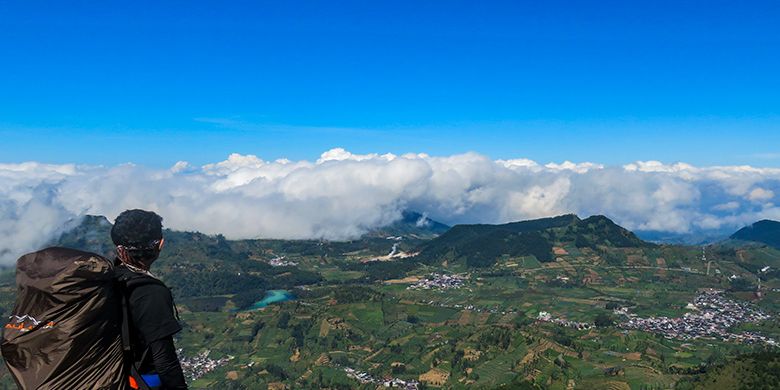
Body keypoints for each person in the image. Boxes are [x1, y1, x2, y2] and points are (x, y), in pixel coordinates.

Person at [111, 209, 188, 390]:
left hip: (114, 376)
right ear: (159, 245)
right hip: (142, 380)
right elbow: (164, 361)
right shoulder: (150, 291)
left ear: (119, 248)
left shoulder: (108, 278)